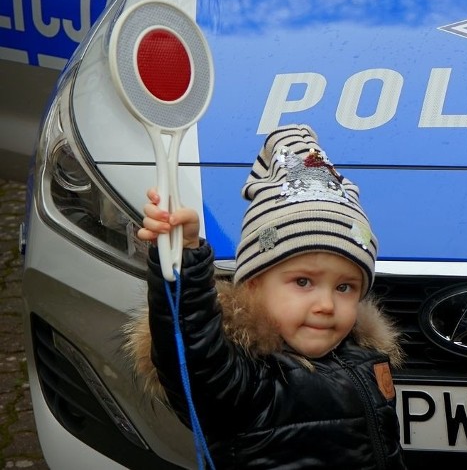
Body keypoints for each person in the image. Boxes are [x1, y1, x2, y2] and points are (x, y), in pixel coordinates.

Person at [124, 124, 407, 469]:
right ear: (254, 285)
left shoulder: (366, 359)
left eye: (344, 287)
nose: (326, 305)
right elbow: (193, 346)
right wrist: (186, 261)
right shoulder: (245, 377)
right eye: (303, 281)